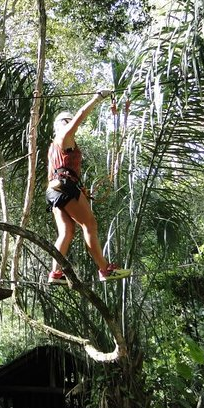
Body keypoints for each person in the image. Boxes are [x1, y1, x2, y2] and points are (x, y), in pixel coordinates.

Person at [45, 89, 130, 284]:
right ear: (60, 125)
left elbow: (57, 171)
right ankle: (104, 269)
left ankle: (55, 273)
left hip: (55, 189)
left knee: (66, 231)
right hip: (64, 186)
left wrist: (77, 188)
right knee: (90, 225)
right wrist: (97, 98)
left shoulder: (54, 147)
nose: (69, 124)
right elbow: (80, 116)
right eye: (66, 121)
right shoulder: (64, 135)